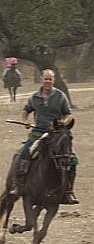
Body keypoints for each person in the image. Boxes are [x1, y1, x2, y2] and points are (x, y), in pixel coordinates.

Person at [10, 69, 78, 204]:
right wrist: (26, 121)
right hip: (38, 132)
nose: (48, 81)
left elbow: (68, 114)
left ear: (53, 81)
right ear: (41, 80)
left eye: (50, 79)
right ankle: (17, 185)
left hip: (56, 134)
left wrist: (62, 124)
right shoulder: (34, 97)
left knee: (72, 159)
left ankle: (68, 191)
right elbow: (26, 110)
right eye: (46, 79)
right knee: (23, 153)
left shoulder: (60, 96)